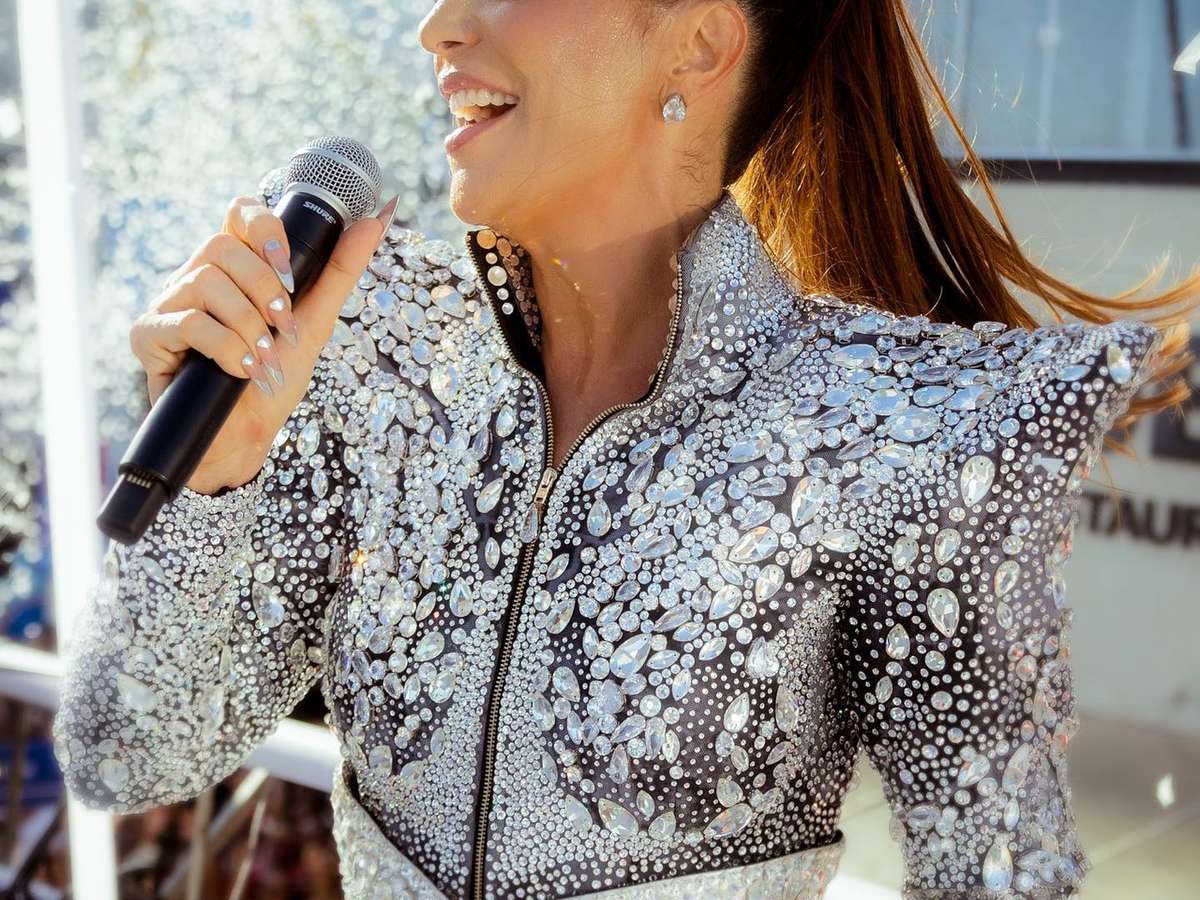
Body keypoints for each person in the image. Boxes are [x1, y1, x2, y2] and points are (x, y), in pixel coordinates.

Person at [54, 1, 1197, 898]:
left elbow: (998, 877)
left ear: (697, 46)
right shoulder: (368, 354)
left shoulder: (903, 429)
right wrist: (219, 475)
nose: (437, 26)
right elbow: (124, 751)